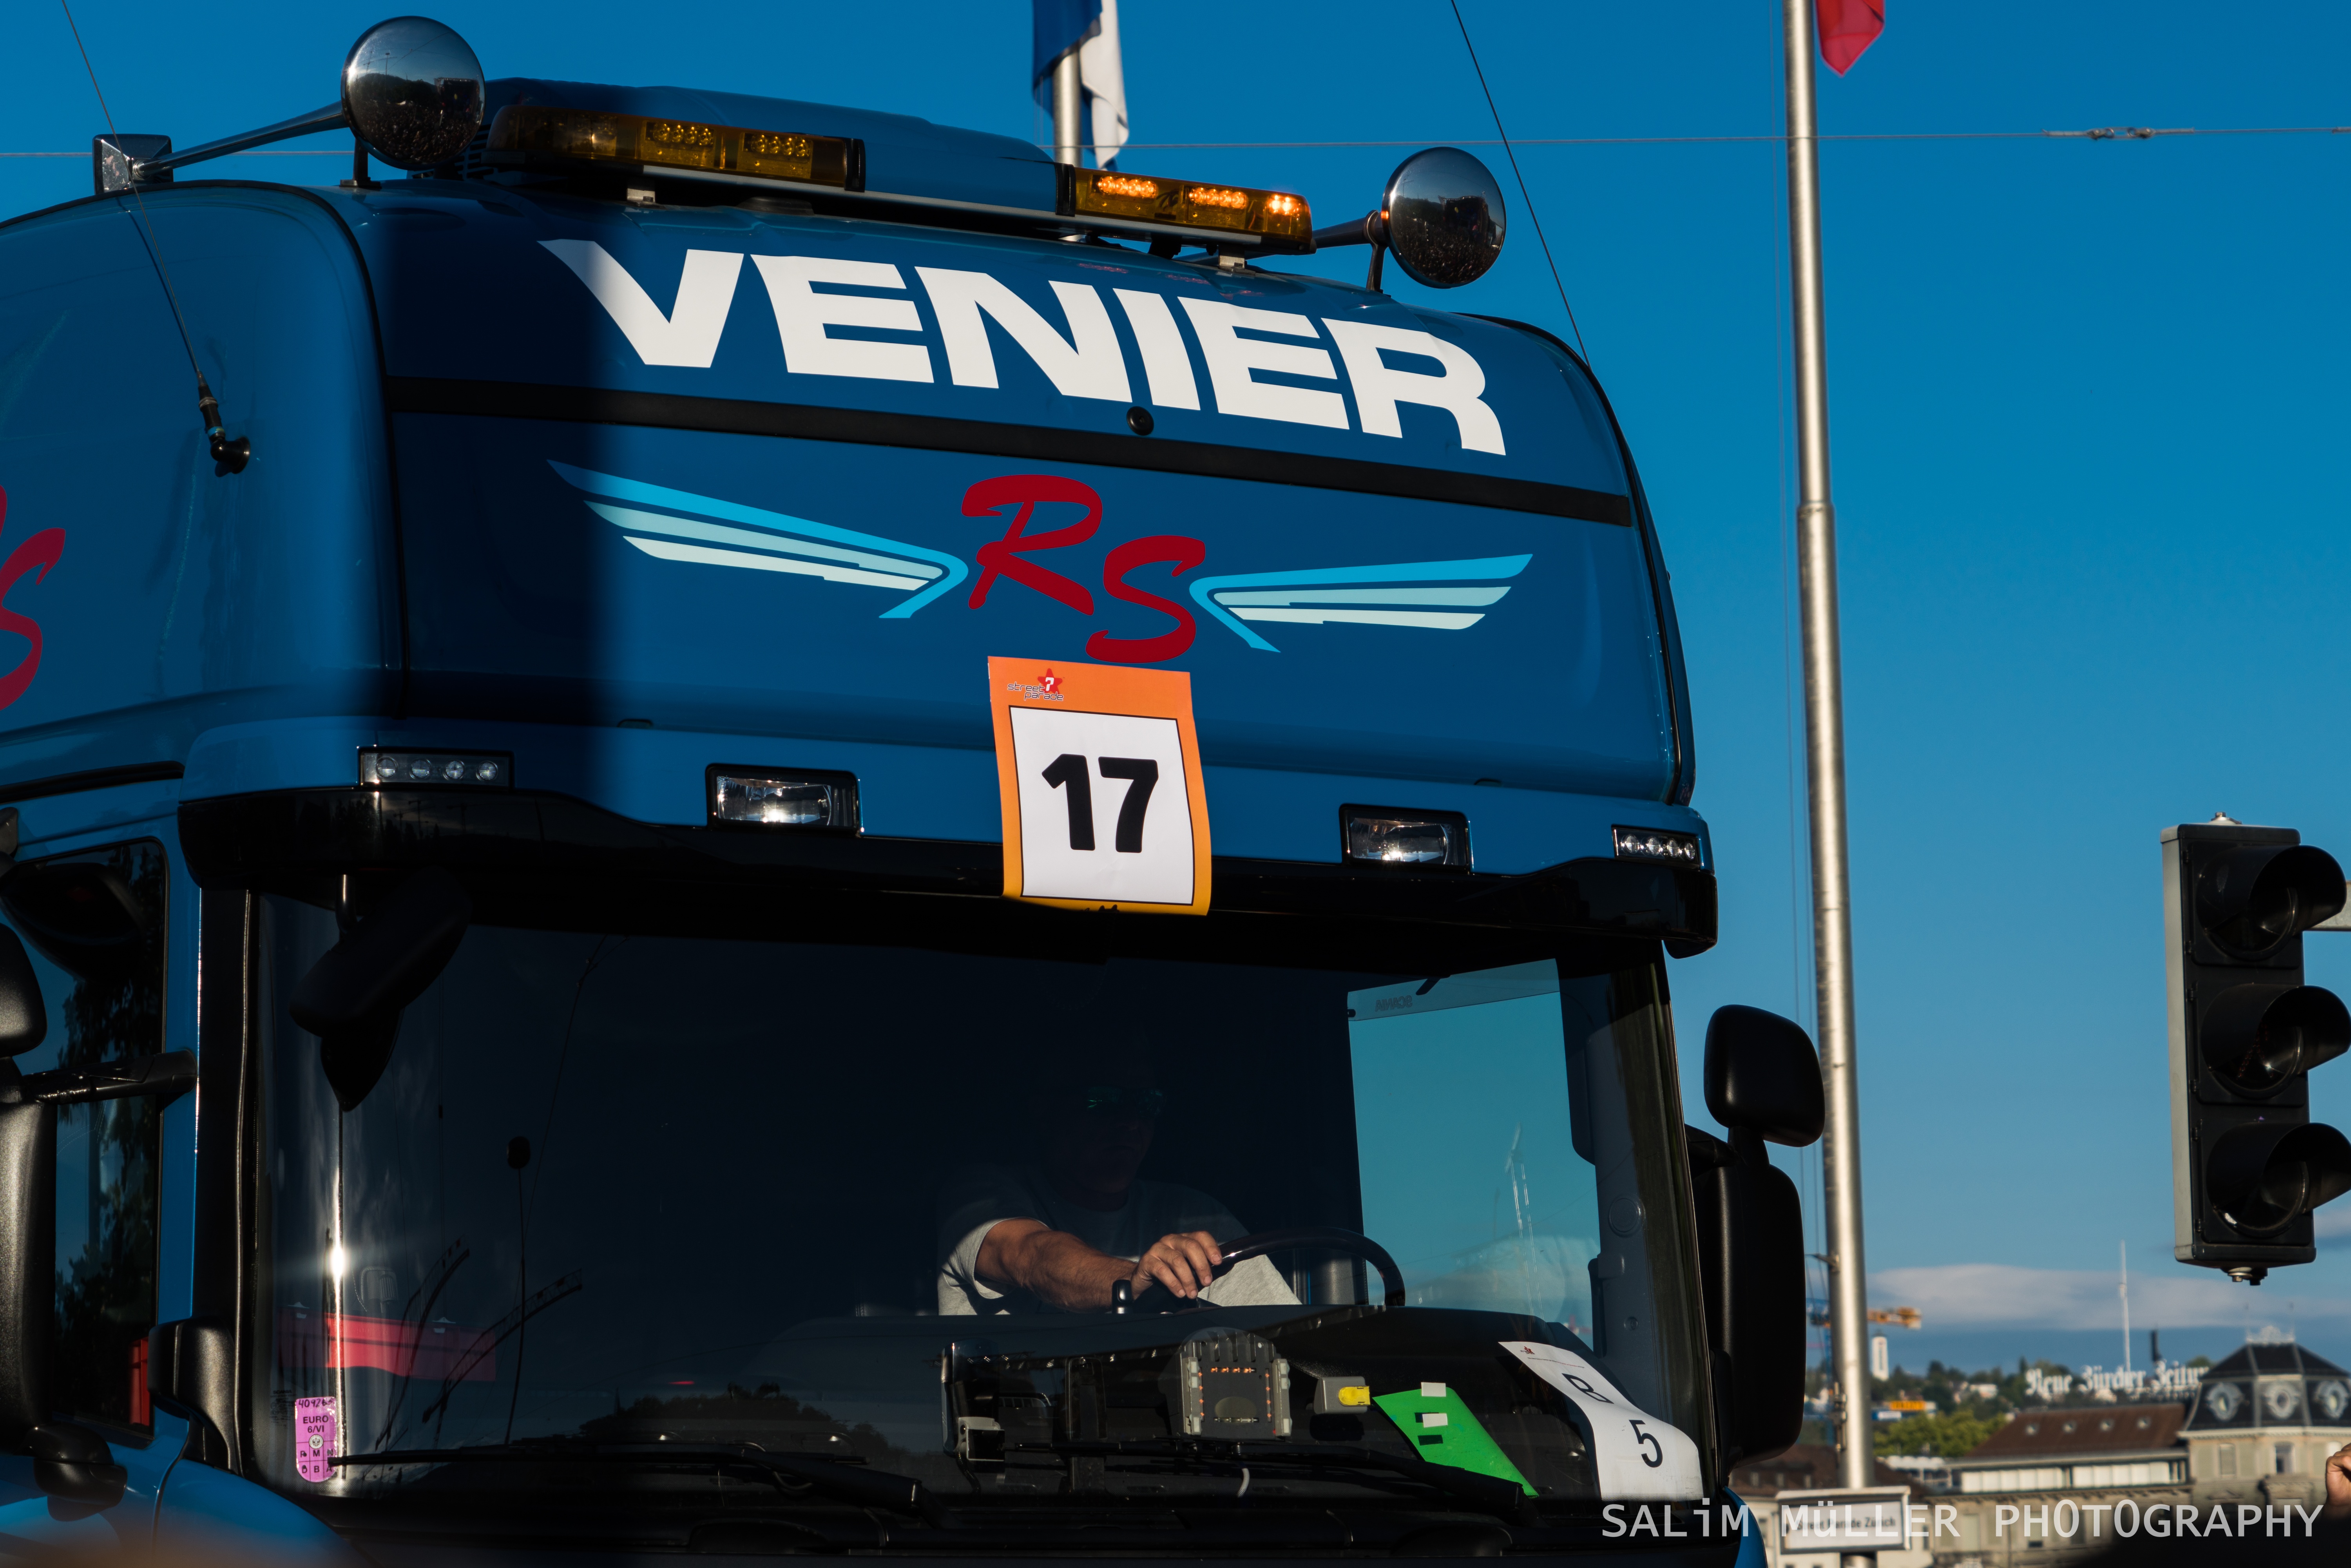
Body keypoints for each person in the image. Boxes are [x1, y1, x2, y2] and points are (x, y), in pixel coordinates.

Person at [936, 1043, 1299, 1315]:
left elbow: (1285, 1336)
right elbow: (1032, 1256)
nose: (1130, 1121)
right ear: (1045, 1112)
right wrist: (1137, 1282)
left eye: (1146, 1103)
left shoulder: (1196, 1217)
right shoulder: (982, 1195)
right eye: (1104, 1100)